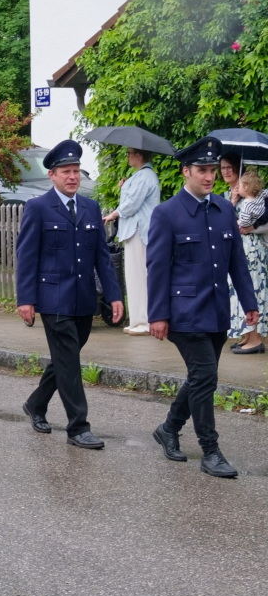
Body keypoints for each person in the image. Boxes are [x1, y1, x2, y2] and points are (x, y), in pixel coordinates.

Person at [147, 136, 258, 478]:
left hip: (216, 311)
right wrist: (158, 315)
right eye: (202, 171)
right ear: (186, 172)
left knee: (201, 377)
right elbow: (158, 268)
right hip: (183, 313)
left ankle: (168, 428)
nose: (209, 176)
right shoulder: (167, 213)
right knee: (205, 376)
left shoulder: (224, 209)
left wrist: (250, 303)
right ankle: (210, 450)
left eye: (213, 170)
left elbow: (237, 262)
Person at [15, 139, 122, 450]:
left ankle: (36, 403)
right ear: (52, 175)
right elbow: (27, 257)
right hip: (53, 298)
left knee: (66, 357)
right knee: (70, 363)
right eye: (66, 171)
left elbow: (102, 256)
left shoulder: (90, 207)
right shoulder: (38, 208)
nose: (73, 177)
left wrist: (114, 295)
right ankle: (78, 426)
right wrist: (25, 299)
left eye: (76, 171)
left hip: (83, 298)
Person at [102, 148, 160, 335]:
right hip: (136, 230)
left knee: (139, 276)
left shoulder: (145, 176)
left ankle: (144, 321)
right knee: (134, 276)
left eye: (130, 153)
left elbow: (132, 204)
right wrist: (125, 186)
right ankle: (137, 320)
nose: (127, 156)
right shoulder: (142, 176)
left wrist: (114, 214)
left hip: (139, 230)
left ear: (139, 155)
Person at [229, 168, 268, 354]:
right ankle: (247, 335)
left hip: (251, 249)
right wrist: (233, 200)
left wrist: (250, 228)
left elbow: (247, 223)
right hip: (244, 247)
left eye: (229, 167)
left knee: (251, 288)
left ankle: (255, 339)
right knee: (243, 290)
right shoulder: (240, 198)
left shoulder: (256, 200)